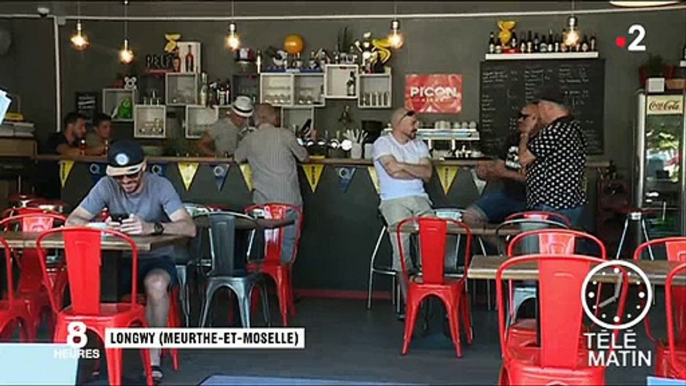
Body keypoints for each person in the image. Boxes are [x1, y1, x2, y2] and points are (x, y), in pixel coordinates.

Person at [66, 140, 196, 382]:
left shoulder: (161, 186)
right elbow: (73, 221)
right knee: (91, 289)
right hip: (119, 262)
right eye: (120, 177)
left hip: (155, 259)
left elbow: (189, 228)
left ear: (144, 167)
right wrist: (103, 226)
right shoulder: (106, 185)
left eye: (132, 175)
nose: (126, 182)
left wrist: (152, 227)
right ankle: (98, 358)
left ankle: (153, 357)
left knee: (156, 285)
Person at [373, 108, 433, 312]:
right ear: (399, 123)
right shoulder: (383, 143)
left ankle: (429, 294)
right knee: (402, 246)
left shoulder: (420, 144)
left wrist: (402, 166)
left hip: (420, 199)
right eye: (413, 123)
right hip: (393, 201)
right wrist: (413, 170)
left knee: (435, 240)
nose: (417, 126)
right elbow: (391, 171)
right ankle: (409, 302)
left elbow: (427, 173)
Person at [234, 103, 309, 263]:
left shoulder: (249, 139)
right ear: (271, 118)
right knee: (287, 244)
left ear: (256, 120)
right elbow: (304, 157)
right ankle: (283, 277)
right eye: (276, 114)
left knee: (264, 245)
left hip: (261, 207)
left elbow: (237, 158)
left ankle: (264, 278)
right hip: (289, 204)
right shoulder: (285, 135)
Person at [462, 104, 541, 227]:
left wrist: (505, 173)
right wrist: (486, 173)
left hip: (533, 200)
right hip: (507, 195)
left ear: (538, 119)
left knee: (529, 228)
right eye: (518, 116)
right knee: (470, 216)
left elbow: (535, 179)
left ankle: (518, 245)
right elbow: (499, 168)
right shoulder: (513, 139)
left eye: (524, 117)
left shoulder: (545, 141)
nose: (519, 120)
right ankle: (502, 246)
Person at [519, 87, 587, 227]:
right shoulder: (572, 126)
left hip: (553, 204)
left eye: (539, 108)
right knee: (562, 245)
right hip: (568, 201)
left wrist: (525, 134)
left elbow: (524, 158)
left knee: (547, 246)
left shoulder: (554, 130)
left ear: (547, 107)